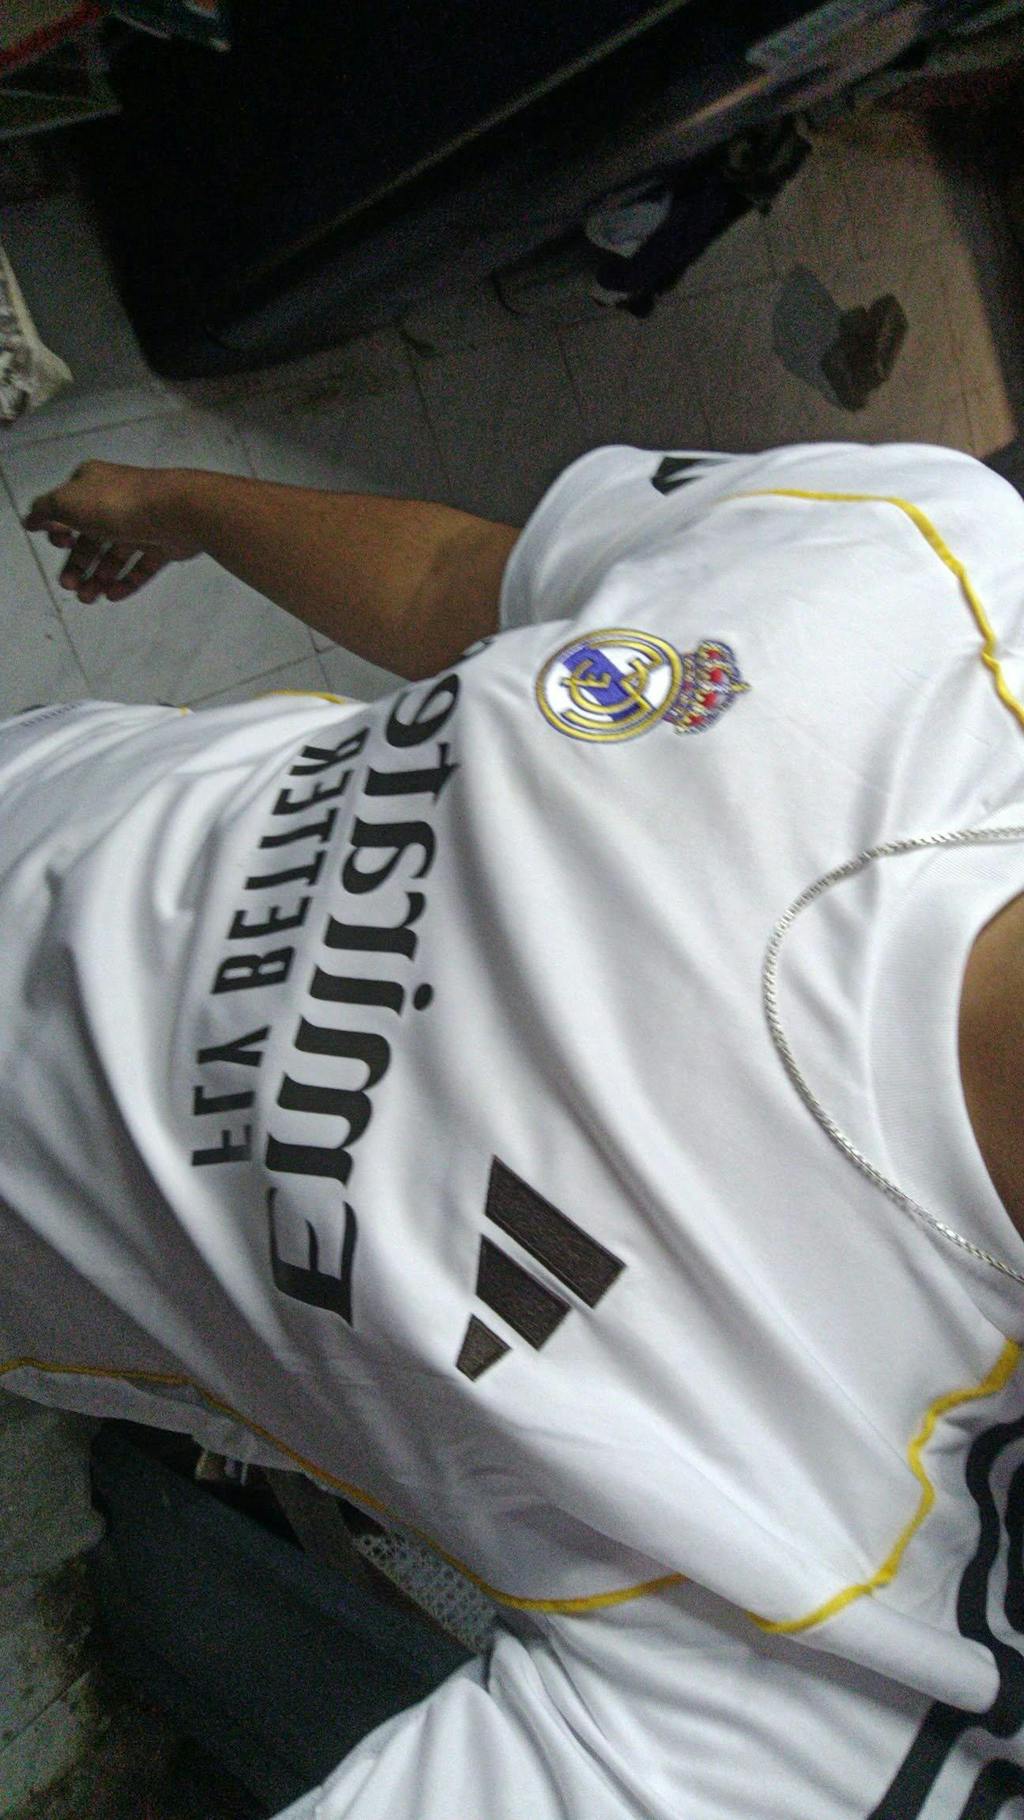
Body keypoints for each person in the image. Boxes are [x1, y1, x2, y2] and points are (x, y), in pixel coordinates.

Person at [6, 437, 1024, 1819]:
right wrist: (184, 503)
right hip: (65, 775)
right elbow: (460, 583)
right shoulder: (927, 566)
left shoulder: (851, 1640)